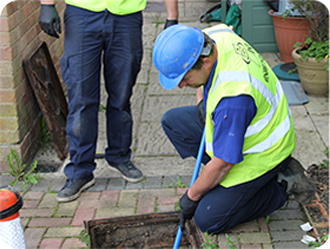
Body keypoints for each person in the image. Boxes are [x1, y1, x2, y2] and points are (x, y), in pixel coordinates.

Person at [152, 24, 316, 234]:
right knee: (174, 122)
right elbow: (207, 73)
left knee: (207, 219)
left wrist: (191, 197)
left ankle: (281, 185)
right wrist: (203, 102)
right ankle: (224, 185)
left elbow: (223, 163)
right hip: (247, 123)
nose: (181, 85)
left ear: (205, 62)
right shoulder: (213, 37)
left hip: (264, 153)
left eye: (185, 78)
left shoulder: (234, 99)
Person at [38, 0, 178, 202]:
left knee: (121, 94)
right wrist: (47, 4)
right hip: (82, 13)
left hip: (126, 16)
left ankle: (120, 156)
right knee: (81, 98)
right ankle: (80, 170)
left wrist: (172, 16)